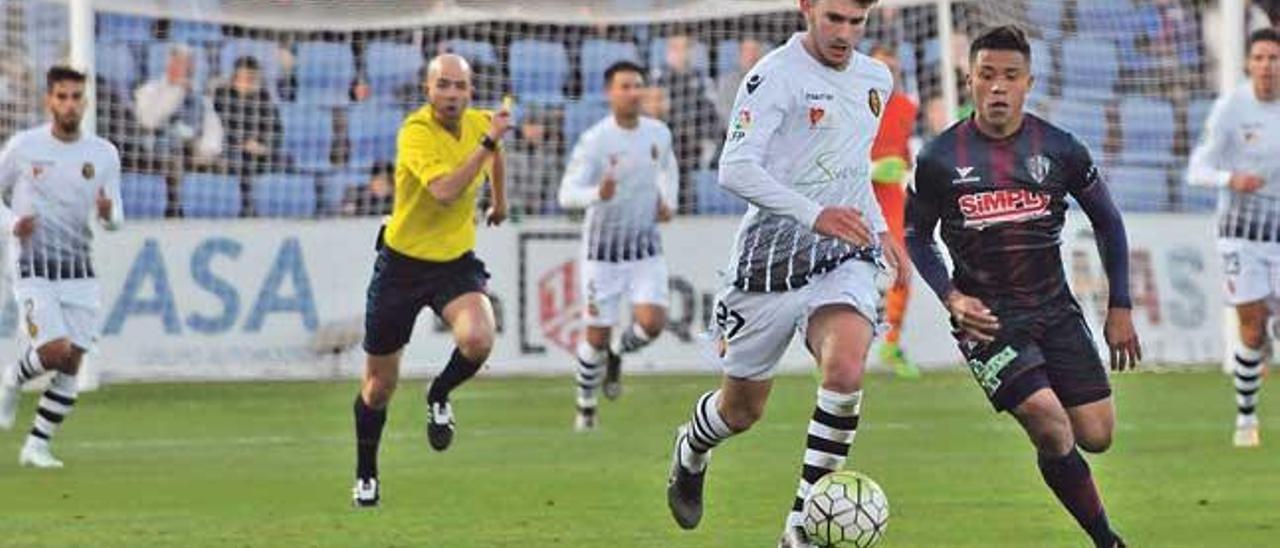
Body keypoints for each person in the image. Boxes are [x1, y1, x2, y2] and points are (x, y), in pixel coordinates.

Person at [661, 2, 911, 546]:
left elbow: (850, 167)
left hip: (842, 258)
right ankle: (692, 448)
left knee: (846, 369)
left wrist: (882, 227)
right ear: (806, 8)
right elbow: (735, 168)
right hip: (768, 266)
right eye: (834, 18)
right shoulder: (774, 76)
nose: (845, 34)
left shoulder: (876, 79)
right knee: (741, 411)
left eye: (856, 22)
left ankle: (799, 532)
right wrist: (813, 212)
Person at [905, 26, 1139, 548]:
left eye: (1010, 76)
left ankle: (1057, 445)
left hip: (1055, 308)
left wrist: (1120, 304)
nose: (998, 87)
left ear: (1028, 82)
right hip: (986, 319)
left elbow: (1109, 222)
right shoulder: (939, 159)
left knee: (1096, 435)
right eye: (987, 75)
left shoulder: (1060, 149)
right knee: (1049, 422)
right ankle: (1107, 540)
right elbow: (916, 235)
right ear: (969, 80)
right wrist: (952, 296)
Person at [350, 54, 510, 508]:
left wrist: (500, 203)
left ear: (471, 90)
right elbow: (444, 191)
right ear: (428, 89)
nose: (452, 94)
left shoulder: (481, 125)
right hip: (401, 265)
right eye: (444, 85)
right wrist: (487, 143)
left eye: (460, 86)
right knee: (378, 387)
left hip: (453, 264)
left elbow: (495, 157)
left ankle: (439, 394)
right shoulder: (415, 132)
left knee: (479, 339)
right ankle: (366, 472)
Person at [0, 66, 124, 468]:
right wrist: (12, 224)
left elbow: (115, 216)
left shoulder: (103, 153)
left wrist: (109, 214)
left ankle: (36, 445)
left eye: (76, 97)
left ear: (85, 102)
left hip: (78, 269)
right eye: (62, 97)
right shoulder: (23, 146)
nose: (70, 104)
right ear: (48, 101)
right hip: (32, 265)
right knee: (54, 351)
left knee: (73, 360)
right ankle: (11, 378)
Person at [558, 61, 678, 432]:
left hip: (645, 248)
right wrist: (598, 193)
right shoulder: (596, 141)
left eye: (638, 86)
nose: (633, 93)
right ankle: (586, 406)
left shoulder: (658, 133)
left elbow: (668, 171)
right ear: (610, 93)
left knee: (652, 324)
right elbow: (566, 195)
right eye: (625, 86)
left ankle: (617, 352)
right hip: (602, 255)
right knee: (594, 335)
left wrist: (667, 201)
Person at [1186, 28, 1280, 448]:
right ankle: (1246, 418)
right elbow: (1197, 170)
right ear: (1247, 63)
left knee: (1266, 325)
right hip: (1240, 234)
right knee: (1252, 326)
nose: (1267, 66)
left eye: (1274, 59)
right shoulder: (1231, 108)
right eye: (1260, 58)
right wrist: (1231, 178)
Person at [867, 43, 920, 378]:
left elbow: (908, 153)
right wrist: (871, 169)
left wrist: (906, 172)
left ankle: (891, 343)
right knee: (840, 273)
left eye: (892, 68)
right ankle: (829, 350)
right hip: (852, 196)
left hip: (890, 199)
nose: (887, 74)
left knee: (902, 268)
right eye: (880, 67)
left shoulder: (905, 107)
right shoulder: (852, 103)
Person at [656, 33, 720, 213]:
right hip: (667, 142)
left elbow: (712, 115)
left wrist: (709, 141)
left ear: (690, 52)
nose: (678, 53)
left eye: (683, 48)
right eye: (674, 48)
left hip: (693, 144)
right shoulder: (658, 78)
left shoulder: (701, 79)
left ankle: (689, 210)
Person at [213, 55, 282, 175]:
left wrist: (263, 147)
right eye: (243, 77)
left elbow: (276, 130)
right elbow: (223, 126)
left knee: (279, 161)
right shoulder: (222, 96)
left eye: (251, 78)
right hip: (231, 149)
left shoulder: (264, 98)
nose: (246, 81)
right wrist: (245, 143)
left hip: (258, 151)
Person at [134, 44, 203, 163]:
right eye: (179, 62)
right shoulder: (148, 89)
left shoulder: (198, 94)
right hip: (155, 151)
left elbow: (195, 130)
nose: (185, 68)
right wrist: (177, 91)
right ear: (169, 63)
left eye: (188, 64)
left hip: (187, 152)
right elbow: (148, 121)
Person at [505, 108, 562, 215]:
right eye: (530, 125)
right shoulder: (511, 156)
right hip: (516, 212)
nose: (534, 130)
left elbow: (553, 190)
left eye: (538, 125)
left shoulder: (550, 157)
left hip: (542, 213)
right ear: (522, 128)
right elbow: (509, 188)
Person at [714, 37, 765, 122]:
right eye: (747, 51)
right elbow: (724, 111)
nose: (751, 56)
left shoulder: (770, 80)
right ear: (740, 54)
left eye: (755, 50)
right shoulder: (728, 81)